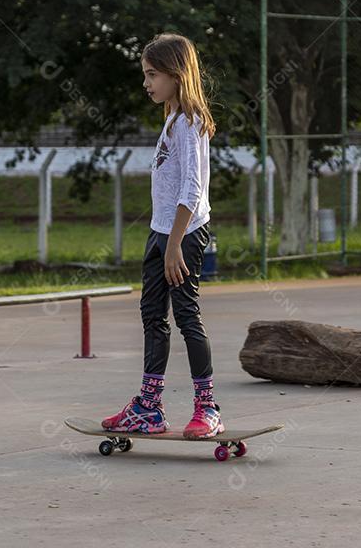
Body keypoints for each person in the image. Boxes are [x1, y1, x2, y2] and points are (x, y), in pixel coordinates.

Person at [101, 33, 222, 439]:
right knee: (153, 316)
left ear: (176, 73)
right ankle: (149, 407)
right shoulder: (172, 119)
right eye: (145, 75)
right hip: (160, 234)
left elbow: (192, 190)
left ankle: (208, 408)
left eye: (152, 74)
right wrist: (161, 240)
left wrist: (173, 245)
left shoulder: (190, 123)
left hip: (182, 236)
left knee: (187, 316)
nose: (146, 83)